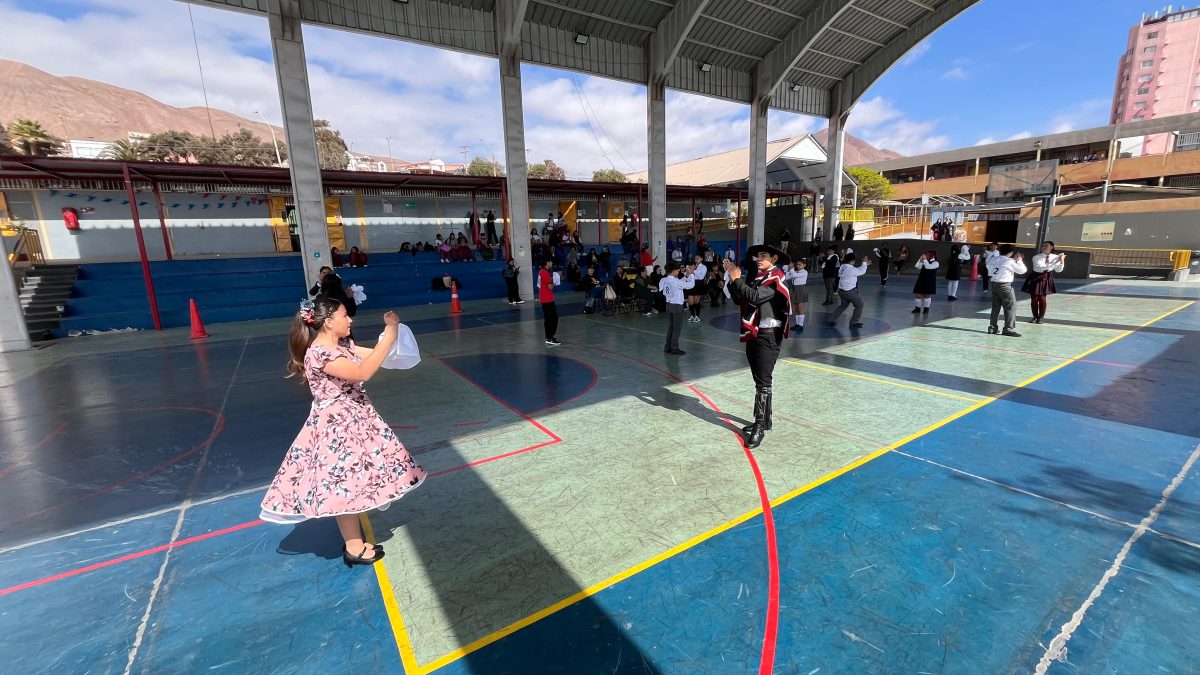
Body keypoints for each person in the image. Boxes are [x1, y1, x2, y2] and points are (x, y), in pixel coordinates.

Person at [260, 298, 426, 567]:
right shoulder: (320, 353)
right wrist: (389, 335)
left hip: (355, 421)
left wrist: (391, 335)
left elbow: (375, 356)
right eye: (345, 315)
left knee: (352, 481)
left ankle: (355, 543)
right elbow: (363, 371)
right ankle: (353, 546)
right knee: (344, 484)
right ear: (328, 322)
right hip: (337, 430)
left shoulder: (341, 346)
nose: (350, 320)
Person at [724, 245, 791, 449]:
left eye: (763, 256)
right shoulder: (759, 277)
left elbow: (754, 297)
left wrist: (737, 279)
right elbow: (741, 298)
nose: (758, 259)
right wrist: (732, 279)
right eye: (757, 256)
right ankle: (764, 420)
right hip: (755, 333)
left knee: (763, 381)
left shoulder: (775, 278)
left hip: (768, 336)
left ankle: (760, 426)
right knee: (759, 380)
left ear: (774, 258)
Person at [986, 244, 1026, 336]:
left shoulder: (994, 258)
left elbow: (988, 266)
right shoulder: (1009, 261)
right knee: (1010, 307)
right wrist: (1019, 261)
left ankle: (992, 327)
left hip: (994, 284)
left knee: (996, 307)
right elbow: (1022, 270)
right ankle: (1009, 328)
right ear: (1011, 252)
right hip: (1005, 285)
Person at [1024, 241, 1066, 324]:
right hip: (1035, 277)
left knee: (1042, 298)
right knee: (1034, 298)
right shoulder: (1036, 257)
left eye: (1046, 246)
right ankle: (1035, 316)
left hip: (1046, 277)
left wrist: (1061, 261)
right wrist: (1055, 262)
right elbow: (1041, 268)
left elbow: (1058, 270)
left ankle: (1041, 317)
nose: (1043, 247)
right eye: (1042, 246)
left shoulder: (1055, 257)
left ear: (1052, 247)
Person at [826, 251, 870, 329]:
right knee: (860, 305)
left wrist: (865, 264)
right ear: (852, 261)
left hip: (842, 291)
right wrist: (864, 263)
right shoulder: (851, 269)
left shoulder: (842, 267)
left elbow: (855, 270)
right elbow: (861, 271)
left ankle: (831, 320)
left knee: (843, 306)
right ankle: (854, 322)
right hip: (850, 292)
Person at [659, 262, 695, 355]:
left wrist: (686, 275)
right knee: (677, 328)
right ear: (673, 271)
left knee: (671, 327)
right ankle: (674, 348)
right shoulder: (676, 282)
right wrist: (691, 275)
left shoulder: (664, 280)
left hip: (668, 305)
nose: (679, 272)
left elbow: (679, 283)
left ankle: (667, 347)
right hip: (677, 306)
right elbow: (690, 285)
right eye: (677, 270)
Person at [538, 260, 561, 345]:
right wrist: (555, 281)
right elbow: (550, 286)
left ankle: (549, 336)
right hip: (547, 299)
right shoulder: (545, 273)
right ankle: (549, 337)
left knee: (549, 318)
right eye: (551, 262)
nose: (552, 264)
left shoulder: (542, 271)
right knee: (552, 318)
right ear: (547, 262)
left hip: (545, 298)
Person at [784, 258, 808, 333]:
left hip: (800, 289)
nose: (798, 266)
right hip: (795, 289)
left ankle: (801, 325)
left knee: (800, 307)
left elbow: (794, 275)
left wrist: (791, 268)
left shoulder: (804, 272)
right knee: (796, 307)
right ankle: (797, 324)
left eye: (800, 264)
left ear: (804, 265)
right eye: (797, 264)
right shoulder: (795, 271)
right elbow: (787, 277)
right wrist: (789, 269)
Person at [686, 254, 708, 323]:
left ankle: (697, 316)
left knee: (696, 302)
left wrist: (693, 270)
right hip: (690, 284)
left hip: (698, 284)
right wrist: (688, 272)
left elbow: (701, 277)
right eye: (695, 258)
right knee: (690, 302)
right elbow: (687, 276)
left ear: (701, 259)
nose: (696, 260)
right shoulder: (691, 266)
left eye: (698, 258)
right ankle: (692, 315)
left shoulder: (703, 267)